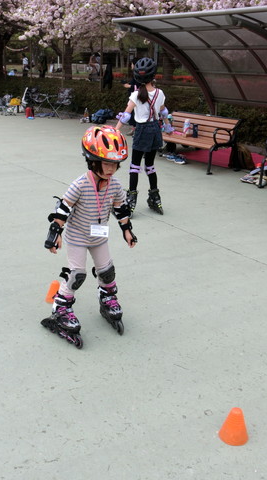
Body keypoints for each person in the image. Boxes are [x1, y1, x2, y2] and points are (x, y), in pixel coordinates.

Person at [41, 125, 138, 348]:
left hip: (99, 237)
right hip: (77, 237)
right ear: (92, 161)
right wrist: (55, 233)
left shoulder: (115, 185)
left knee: (107, 271)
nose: (111, 169)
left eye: (115, 164)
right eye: (106, 163)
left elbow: (121, 208)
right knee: (77, 274)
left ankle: (107, 299)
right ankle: (61, 309)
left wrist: (127, 230)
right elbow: (63, 209)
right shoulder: (80, 184)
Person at [115, 57, 170, 215]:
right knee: (150, 166)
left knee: (135, 166)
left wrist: (115, 130)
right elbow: (164, 112)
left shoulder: (136, 94)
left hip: (142, 130)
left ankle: (131, 200)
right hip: (155, 130)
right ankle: (155, 198)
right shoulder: (160, 93)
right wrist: (168, 126)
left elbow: (126, 116)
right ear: (153, 76)